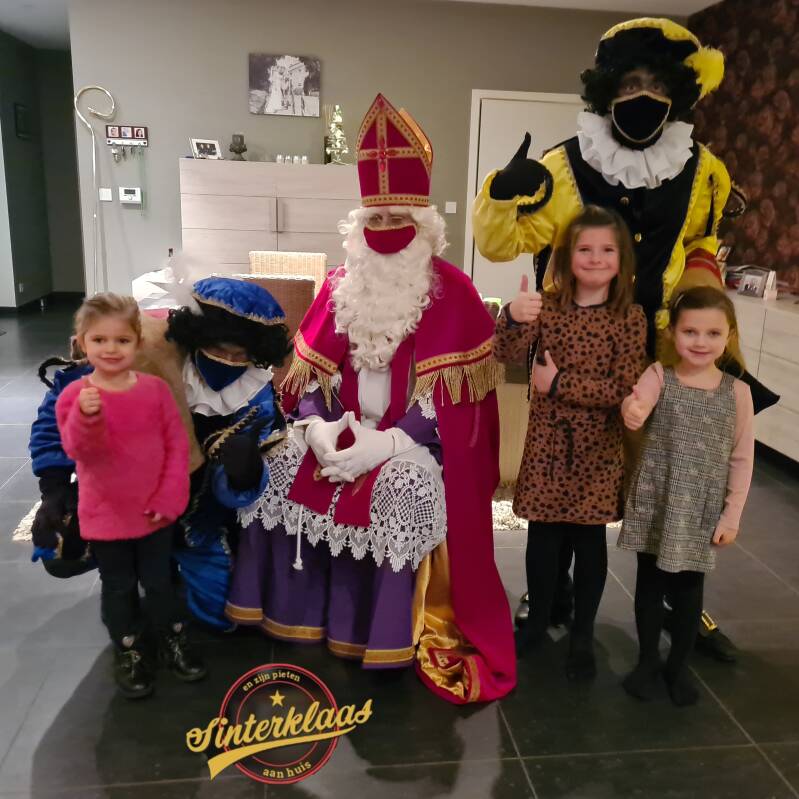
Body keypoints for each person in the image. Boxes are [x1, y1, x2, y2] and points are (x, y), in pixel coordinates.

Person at [472, 17, 777, 660]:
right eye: (632, 84)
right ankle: (548, 594)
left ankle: (676, 598)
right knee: (566, 481)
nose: (644, 98)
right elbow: (502, 243)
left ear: (679, 96)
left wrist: (699, 311)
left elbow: (703, 242)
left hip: (665, 347)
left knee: (673, 476)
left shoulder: (703, 169)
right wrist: (501, 195)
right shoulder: (562, 165)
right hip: (573, 340)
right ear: (607, 90)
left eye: (658, 87)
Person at [226, 93, 516, 704]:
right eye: (375, 219)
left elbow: (452, 403)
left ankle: (381, 632)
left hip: (414, 444)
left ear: (424, 225)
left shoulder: (455, 294)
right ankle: (290, 611)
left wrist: (387, 444)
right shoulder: (339, 286)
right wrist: (315, 430)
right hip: (340, 430)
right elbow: (309, 380)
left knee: (401, 489)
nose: (385, 231)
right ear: (358, 227)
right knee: (278, 466)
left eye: (397, 218)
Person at [29, 277, 289, 634]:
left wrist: (243, 475)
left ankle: (166, 573)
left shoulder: (255, 394)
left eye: (240, 355)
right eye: (219, 349)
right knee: (62, 550)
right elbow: (57, 415)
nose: (228, 361)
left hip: (197, 514)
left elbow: (238, 482)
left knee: (224, 617)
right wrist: (54, 487)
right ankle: (126, 593)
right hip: (121, 497)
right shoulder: (145, 354)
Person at [494, 205, 646, 680]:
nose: (596, 258)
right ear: (567, 256)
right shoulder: (548, 307)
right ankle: (538, 620)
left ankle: (582, 633)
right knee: (542, 539)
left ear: (621, 259)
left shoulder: (630, 317)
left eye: (607, 250)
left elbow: (624, 387)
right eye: (585, 249)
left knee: (588, 542)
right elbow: (506, 353)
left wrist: (560, 384)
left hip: (598, 451)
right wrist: (512, 317)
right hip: (548, 447)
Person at [55, 293, 206, 699]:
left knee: (161, 581)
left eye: (121, 340)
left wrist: (169, 498)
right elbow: (79, 451)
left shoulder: (155, 391)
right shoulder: (75, 397)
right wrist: (86, 417)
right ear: (82, 343)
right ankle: (130, 648)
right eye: (99, 340)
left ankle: (172, 636)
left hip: (156, 512)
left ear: (137, 342)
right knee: (118, 586)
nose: (111, 349)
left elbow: (176, 446)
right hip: (106, 514)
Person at [618, 286, 754, 705]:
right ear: (672, 333)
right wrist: (632, 411)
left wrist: (731, 515)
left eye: (712, 333)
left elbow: (742, 458)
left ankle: (678, 667)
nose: (700, 341)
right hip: (658, 500)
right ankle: (647, 661)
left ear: (728, 336)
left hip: (700, 508)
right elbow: (637, 404)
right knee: (649, 584)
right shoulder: (659, 376)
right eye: (690, 331)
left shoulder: (737, 392)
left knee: (689, 590)